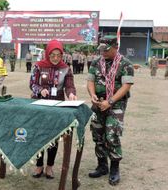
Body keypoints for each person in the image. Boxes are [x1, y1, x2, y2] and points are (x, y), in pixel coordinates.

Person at [86, 36, 134, 185]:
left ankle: (114, 168)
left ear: (116, 47)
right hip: (99, 103)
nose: (103, 52)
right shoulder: (95, 62)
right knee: (97, 132)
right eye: (101, 49)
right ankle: (102, 166)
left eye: (106, 50)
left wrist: (110, 101)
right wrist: (93, 95)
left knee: (111, 134)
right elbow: (90, 81)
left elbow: (126, 86)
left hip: (116, 104)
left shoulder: (125, 64)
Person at [30, 39, 77, 179]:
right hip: (40, 105)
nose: (56, 58)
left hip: (57, 106)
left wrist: (71, 94)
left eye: (58, 55)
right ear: (47, 54)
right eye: (53, 55)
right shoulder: (38, 66)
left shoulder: (66, 68)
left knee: (54, 137)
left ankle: (50, 166)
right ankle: (39, 166)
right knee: (38, 136)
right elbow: (32, 83)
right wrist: (39, 89)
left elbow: (69, 85)